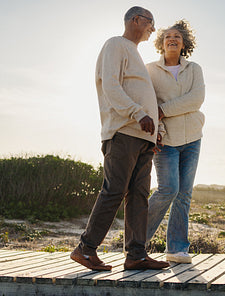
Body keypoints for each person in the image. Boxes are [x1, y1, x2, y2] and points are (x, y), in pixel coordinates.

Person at [70, 6, 170, 271]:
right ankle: (86, 248)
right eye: (150, 22)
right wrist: (138, 113)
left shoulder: (135, 54)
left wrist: (155, 132)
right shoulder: (116, 44)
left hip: (142, 137)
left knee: (139, 195)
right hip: (123, 132)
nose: (152, 28)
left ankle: (136, 254)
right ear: (136, 20)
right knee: (114, 190)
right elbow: (111, 85)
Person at [146, 20, 205, 264]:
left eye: (177, 37)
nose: (172, 39)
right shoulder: (149, 70)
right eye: (168, 36)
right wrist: (158, 124)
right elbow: (148, 104)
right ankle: (136, 242)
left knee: (184, 194)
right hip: (165, 139)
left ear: (184, 44)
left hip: (192, 137)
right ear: (161, 43)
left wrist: (163, 109)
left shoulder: (194, 69)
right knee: (168, 190)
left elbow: (196, 99)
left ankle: (177, 248)